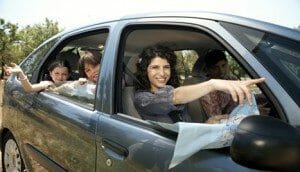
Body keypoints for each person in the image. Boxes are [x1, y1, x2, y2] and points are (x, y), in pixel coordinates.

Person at [134, 45, 265, 124]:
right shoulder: (142, 99)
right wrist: (212, 84)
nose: (162, 73)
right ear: (145, 70)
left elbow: (186, 127)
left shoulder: (174, 92)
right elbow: (175, 96)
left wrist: (207, 125)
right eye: (155, 67)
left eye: (166, 67)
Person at [199, 50, 238, 118]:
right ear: (209, 69)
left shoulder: (232, 79)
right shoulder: (207, 90)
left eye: (223, 65)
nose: (221, 71)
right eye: (215, 68)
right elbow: (217, 119)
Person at [5, 60, 71, 92]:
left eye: (64, 74)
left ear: (68, 75)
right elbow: (29, 89)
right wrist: (20, 73)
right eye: (57, 73)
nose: (60, 77)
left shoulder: (71, 85)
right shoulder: (48, 84)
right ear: (50, 74)